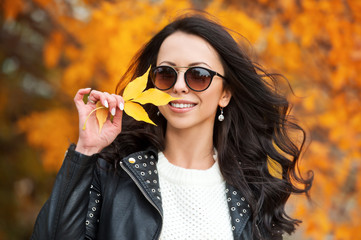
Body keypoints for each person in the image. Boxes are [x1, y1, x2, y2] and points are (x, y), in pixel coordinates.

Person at [31, 13, 313, 240]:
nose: (179, 87)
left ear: (225, 93)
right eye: (166, 74)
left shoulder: (251, 195)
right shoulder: (113, 174)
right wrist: (86, 150)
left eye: (198, 75)